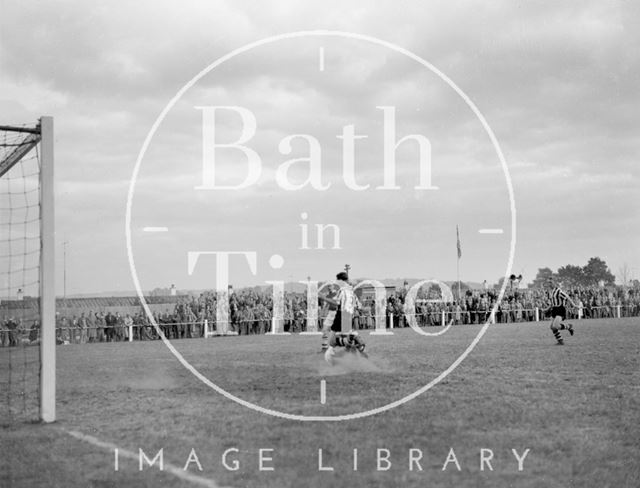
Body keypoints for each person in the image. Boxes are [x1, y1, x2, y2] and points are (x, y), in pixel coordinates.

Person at [547, 278, 576, 345]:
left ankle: (568, 326)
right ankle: (560, 340)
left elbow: (567, 297)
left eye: (551, 282)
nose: (549, 284)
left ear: (554, 283)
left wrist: (574, 305)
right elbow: (552, 303)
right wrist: (547, 309)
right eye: (549, 283)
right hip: (554, 309)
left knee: (556, 325)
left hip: (560, 309)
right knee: (552, 327)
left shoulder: (559, 291)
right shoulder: (552, 292)